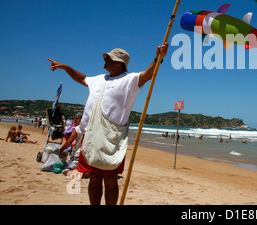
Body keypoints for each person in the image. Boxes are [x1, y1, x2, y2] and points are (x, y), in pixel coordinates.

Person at [47, 44, 168, 205]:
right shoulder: (98, 79)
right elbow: (82, 78)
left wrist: (158, 58)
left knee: (110, 179)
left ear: (119, 62)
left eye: (108, 58)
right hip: (90, 135)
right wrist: (66, 67)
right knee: (94, 177)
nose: (104, 59)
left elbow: (147, 75)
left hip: (111, 137)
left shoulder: (129, 80)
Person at [59, 112, 83, 177]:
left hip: (78, 156)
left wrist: (61, 150)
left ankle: (75, 175)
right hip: (87, 157)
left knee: (65, 170)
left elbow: (68, 142)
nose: (75, 121)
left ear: (80, 119)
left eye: (76, 119)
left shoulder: (78, 128)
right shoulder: (91, 129)